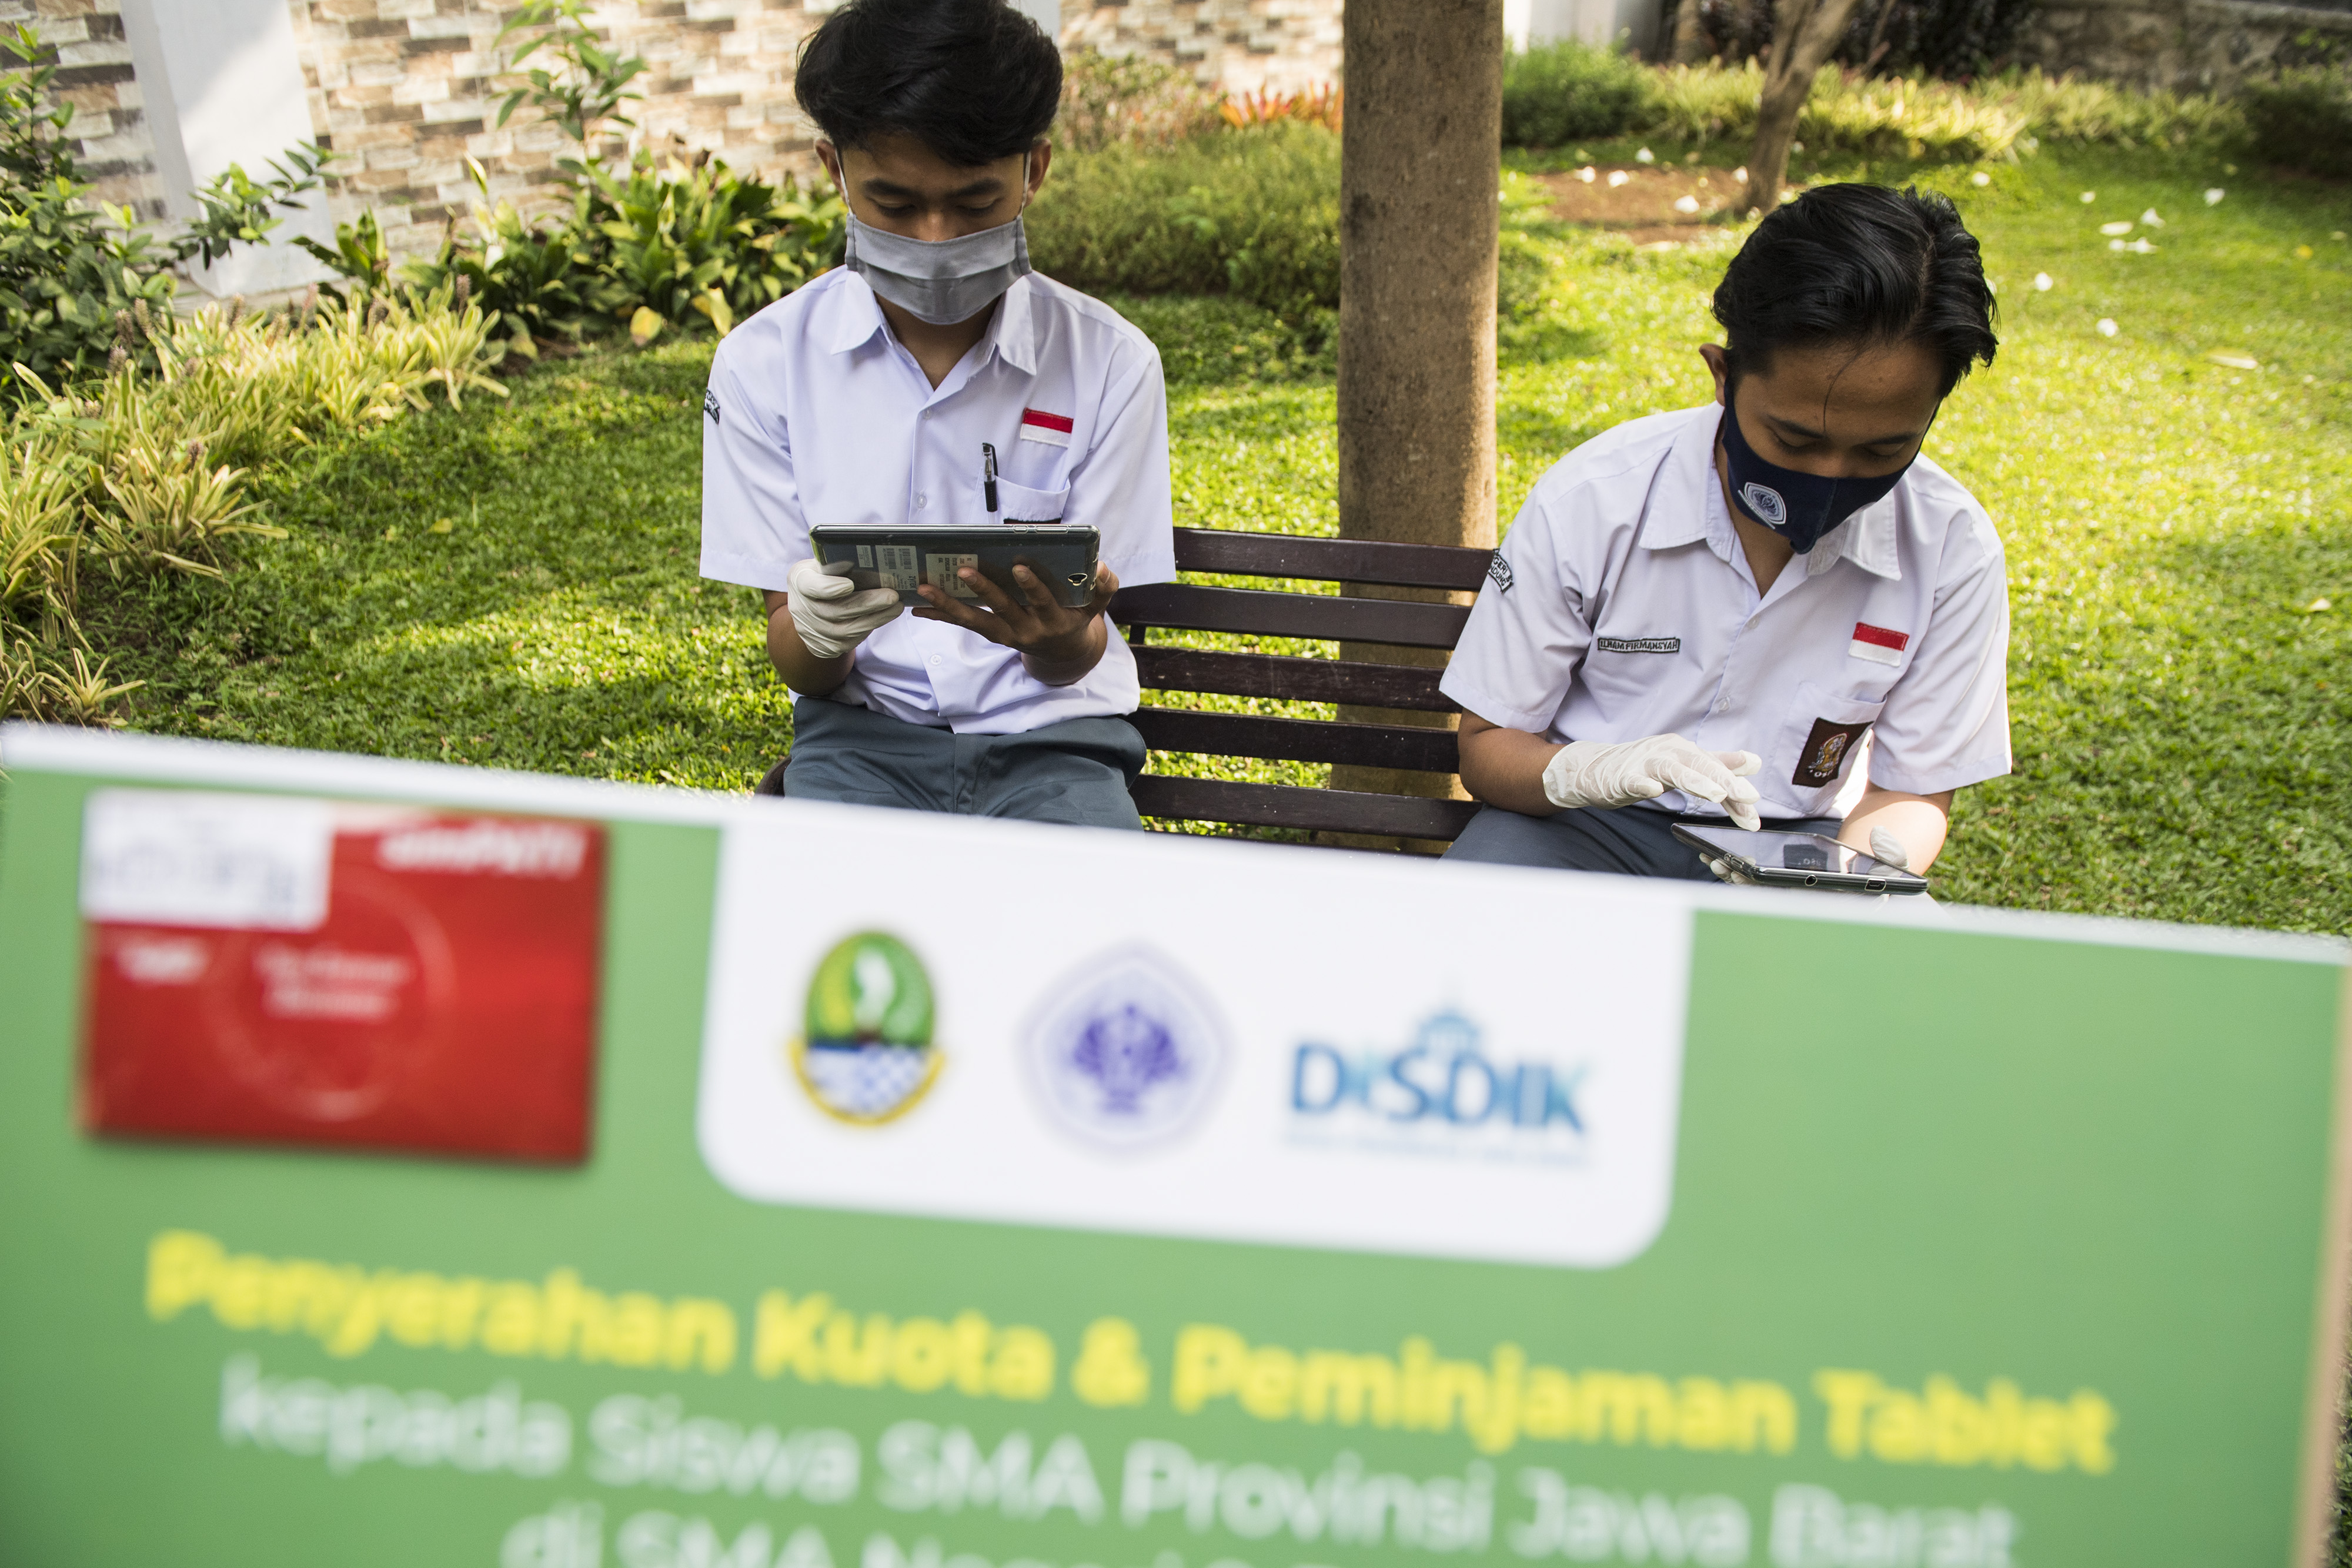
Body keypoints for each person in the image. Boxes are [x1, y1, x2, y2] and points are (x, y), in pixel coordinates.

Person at [1441, 184, 2010, 881]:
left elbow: (1911, 790)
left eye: (1882, 451)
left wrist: (1859, 871)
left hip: (1801, 846)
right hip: (1579, 826)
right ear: (1722, 375)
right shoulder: (1596, 499)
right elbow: (1487, 749)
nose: (1831, 479)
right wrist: (1588, 772)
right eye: (1794, 439)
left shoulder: (1953, 551)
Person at [700, 0, 1174, 827]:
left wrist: (1061, 638)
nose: (934, 238)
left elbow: (1084, 647)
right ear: (833, 169)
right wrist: (817, 631)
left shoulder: (1110, 362)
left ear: (1036, 169)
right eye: (892, 202)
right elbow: (799, 661)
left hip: (1056, 744)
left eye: (973, 202)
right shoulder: (763, 365)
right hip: (860, 744)